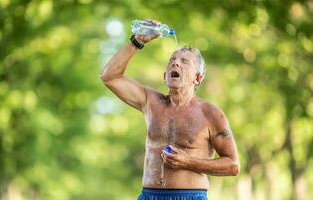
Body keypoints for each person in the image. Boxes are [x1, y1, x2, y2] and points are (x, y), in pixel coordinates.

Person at [100, 19, 240, 200]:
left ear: (197, 78)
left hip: (190, 196)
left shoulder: (211, 113)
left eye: (184, 62)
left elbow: (232, 165)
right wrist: (138, 40)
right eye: (172, 61)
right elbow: (109, 76)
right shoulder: (150, 102)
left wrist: (189, 162)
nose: (175, 64)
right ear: (165, 76)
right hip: (149, 195)